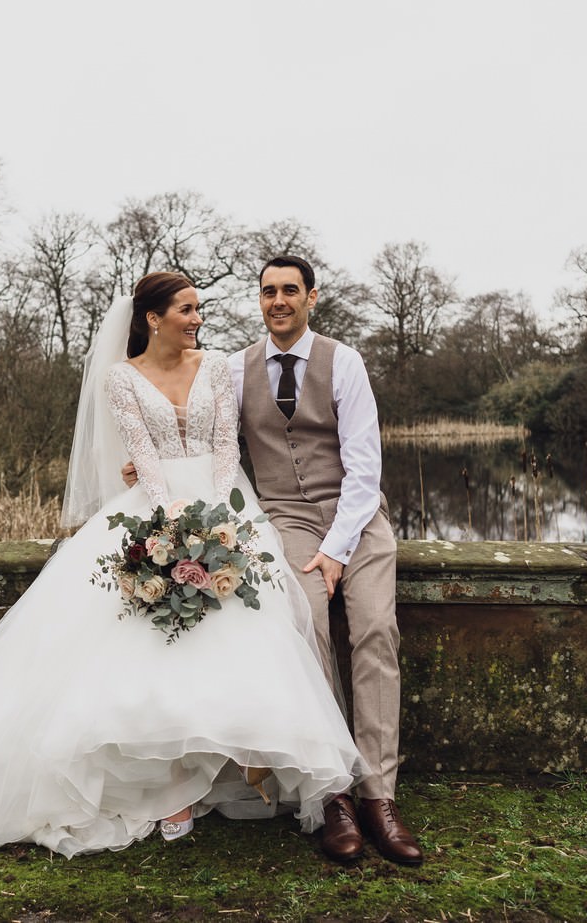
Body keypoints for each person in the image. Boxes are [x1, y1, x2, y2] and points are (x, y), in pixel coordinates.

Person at [0, 272, 364, 857]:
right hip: (154, 508)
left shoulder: (215, 366)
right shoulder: (121, 378)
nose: (197, 319)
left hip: (223, 504)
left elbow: (224, 446)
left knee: (251, 631)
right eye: (186, 310)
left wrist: (217, 521)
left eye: (199, 309)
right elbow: (143, 455)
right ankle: (168, 787)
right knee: (149, 643)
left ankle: (239, 770)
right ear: (153, 319)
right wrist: (170, 525)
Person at [232, 255, 422, 866]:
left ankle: (379, 796)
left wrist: (337, 549)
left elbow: (365, 469)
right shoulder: (235, 370)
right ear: (259, 300)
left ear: (312, 297)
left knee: (375, 630)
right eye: (268, 291)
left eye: (290, 290)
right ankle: (333, 793)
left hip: (356, 515)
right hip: (285, 517)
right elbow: (212, 443)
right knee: (306, 627)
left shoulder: (344, 361)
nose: (278, 301)